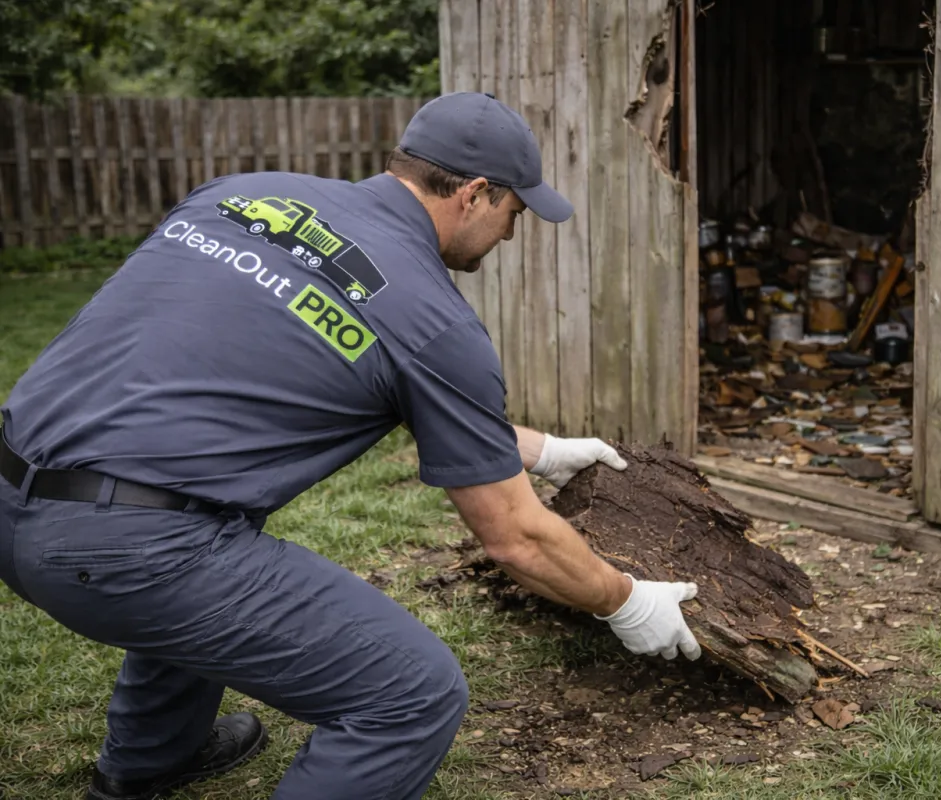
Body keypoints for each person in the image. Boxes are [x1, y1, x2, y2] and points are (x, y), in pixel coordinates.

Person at [0, 91, 702, 800]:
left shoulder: (239, 196)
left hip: (12, 495)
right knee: (413, 694)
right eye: (514, 214)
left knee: (211, 520)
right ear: (475, 193)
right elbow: (516, 539)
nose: (511, 236)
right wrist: (624, 600)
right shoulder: (435, 322)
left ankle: (149, 762)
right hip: (124, 552)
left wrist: (544, 451)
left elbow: (285, 360)